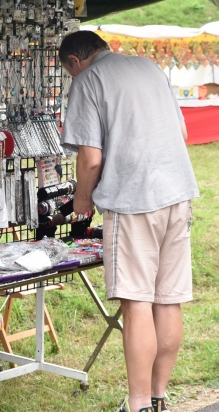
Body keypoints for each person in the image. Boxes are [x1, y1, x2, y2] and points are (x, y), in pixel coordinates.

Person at [58, 31, 199, 412]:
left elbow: (90, 159)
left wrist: (82, 202)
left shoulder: (88, 80)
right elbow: (183, 133)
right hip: (178, 191)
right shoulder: (148, 66)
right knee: (168, 300)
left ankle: (137, 406)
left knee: (136, 302)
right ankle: (158, 398)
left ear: (74, 61)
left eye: (69, 72)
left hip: (134, 199)